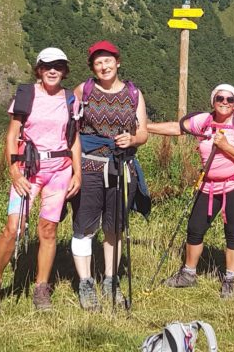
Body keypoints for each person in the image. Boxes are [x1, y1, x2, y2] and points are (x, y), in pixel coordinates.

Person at [0, 47, 82, 314]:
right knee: (13, 227)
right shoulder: (26, 95)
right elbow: (12, 135)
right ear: (38, 69)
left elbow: (73, 138)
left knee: (48, 230)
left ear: (64, 71)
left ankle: (41, 287)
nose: (52, 70)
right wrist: (13, 171)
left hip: (60, 170)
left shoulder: (71, 100)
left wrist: (78, 173)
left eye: (58, 66)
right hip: (28, 169)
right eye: (47, 66)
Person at [146, 83, 234, 298]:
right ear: (213, 101)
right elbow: (178, 128)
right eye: (220, 98)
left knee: (232, 232)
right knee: (195, 228)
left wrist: (226, 146)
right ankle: (188, 274)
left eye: (230, 100)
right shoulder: (204, 121)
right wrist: (146, 128)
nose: (224, 102)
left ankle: (230, 280)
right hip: (208, 184)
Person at [69, 40, 148, 310]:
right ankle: (86, 282)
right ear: (92, 66)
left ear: (118, 62)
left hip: (121, 166)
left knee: (114, 227)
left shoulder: (134, 94)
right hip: (89, 165)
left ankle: (111, 281)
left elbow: (144, 133)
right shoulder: (83, 90)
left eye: (108, 61)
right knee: (85, 225)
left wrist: (133, 139)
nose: (103, 66)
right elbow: (68, 128)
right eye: (98, 62)